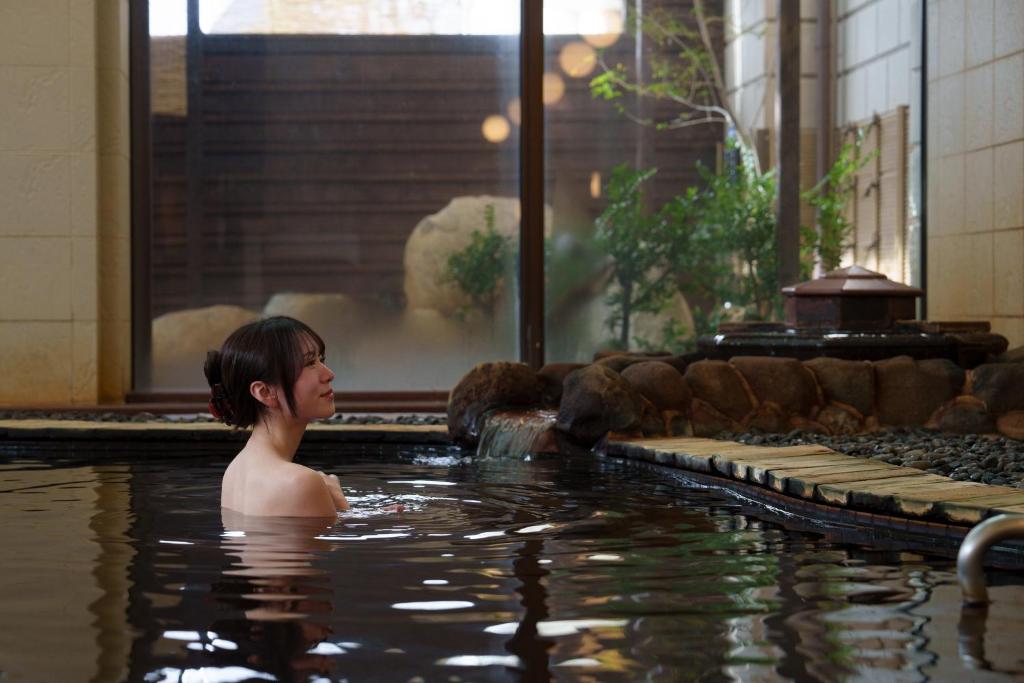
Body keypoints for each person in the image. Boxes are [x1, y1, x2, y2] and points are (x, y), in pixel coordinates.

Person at [204, 316, 349, 517]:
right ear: (264, 392)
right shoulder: (300, 482)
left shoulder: (235, 471)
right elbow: (327, 546)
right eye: (309, 363)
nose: (329, 374)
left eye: (321, 360)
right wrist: (340, 502)